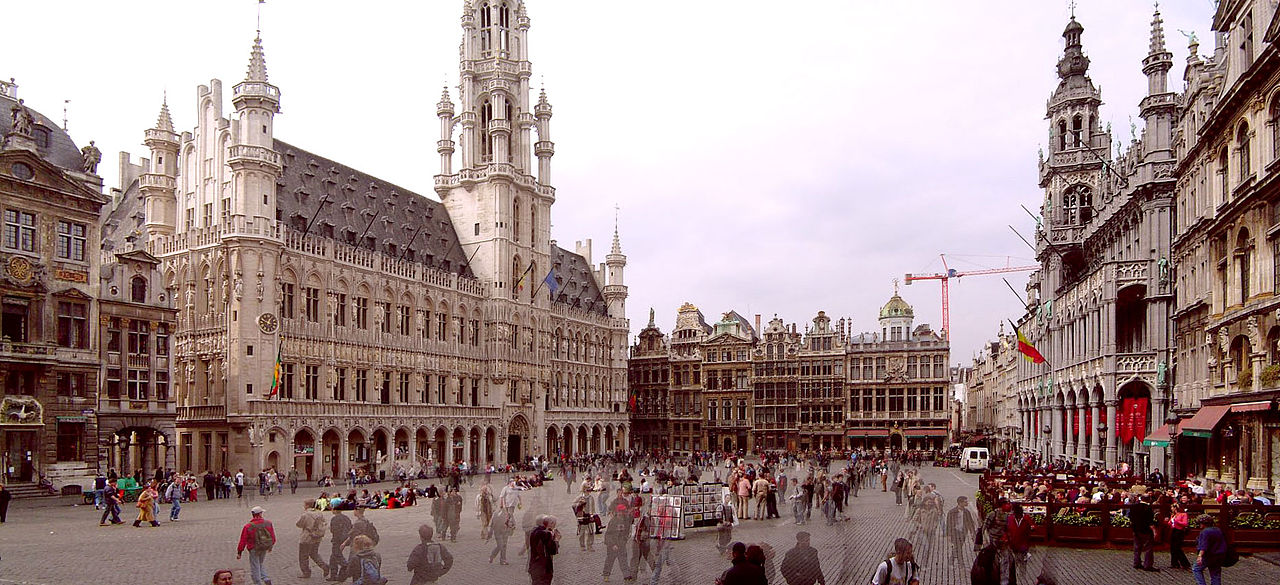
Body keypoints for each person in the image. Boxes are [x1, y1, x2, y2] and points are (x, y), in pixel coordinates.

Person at [237, 506, 276, 585]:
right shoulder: (268, 523)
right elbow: (272, 536)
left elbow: (243, 540)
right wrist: (270, 546)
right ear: (260, 513)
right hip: (264, 546)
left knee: (255, 565)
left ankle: (257, 582)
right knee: (260, 563)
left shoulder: (248, 526)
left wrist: (239, 552)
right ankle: (265, 578)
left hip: (254, 548)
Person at [297, 499, 329, 579]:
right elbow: (324, 523)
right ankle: (324, 566)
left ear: (307, 505)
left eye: (304, 504)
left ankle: (306, 572)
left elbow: (299, 524)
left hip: (307, 538)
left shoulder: (306, 514)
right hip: (317, 537)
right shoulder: (319, 513)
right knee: (314, 553)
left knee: (303, 556)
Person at [1193, 514, 1227, 585]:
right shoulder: (1218, 530)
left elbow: (1203, 545)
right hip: (1219, 555)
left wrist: (1200, 556)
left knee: (1196, 569)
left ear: (1203, 523)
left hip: (1209, 555)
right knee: (1215, 573)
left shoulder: (1205, 532)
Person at [602, 503, 633, 582]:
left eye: (623, 511)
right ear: (617, 512)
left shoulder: (626, 521)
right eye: (620, 511)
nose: (621, 513)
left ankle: (627, 576)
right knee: (610, 560)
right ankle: (606, 574)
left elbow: (626, 533)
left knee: (623, 560)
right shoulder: (613, 521)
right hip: (612, 545)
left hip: (621, 544)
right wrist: (613, 544)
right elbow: (608, 535)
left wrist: (624, 540)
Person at [1129, 491, 1158, 572]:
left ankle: (1136, 563)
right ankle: (1147, 565)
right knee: (1148, 548)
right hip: (1145, 530)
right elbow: (1150, 521)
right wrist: (1155, 531)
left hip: (1136, 529)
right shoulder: (1148, 508)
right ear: (1149, 499)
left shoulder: (1134, 507)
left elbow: (1130, 517)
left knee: (1137, 547)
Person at [528, 515, 560, 585]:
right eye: (554, 524)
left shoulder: (533, 531)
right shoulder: (546, 534)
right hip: (544, 567)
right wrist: (556, 540)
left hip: (534, 565)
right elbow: (553, 550)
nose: (554, 526)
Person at [1005, 503, 1034, 582]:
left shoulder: (1026, 520)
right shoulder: (1010, 519)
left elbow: (1030, 531)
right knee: (1012, 565)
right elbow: (1006, 530)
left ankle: (1022, 580)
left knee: (1022, 565)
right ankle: (1012, 581)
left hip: (1022, 547)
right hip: (1011, 546)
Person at [946, 496, 977, 565]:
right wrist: (948, 534)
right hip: (955, 531)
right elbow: (948, 524)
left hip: (963, 532)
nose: (967, 503)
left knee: (958, 546)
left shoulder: (966, 512)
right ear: (960, 503)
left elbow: (970, 522)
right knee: (958, 546)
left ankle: (951, 560)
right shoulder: (952, 512)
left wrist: (972, 532)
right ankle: (961, 562)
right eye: (965, 502)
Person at [327, 509, 353, 582]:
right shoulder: (346, 517)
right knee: (333, 557)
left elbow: (333, 530)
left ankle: (346, 566)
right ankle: (333, 575)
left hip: (337, 539)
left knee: (337, 555)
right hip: (345, 539)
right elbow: (350, 527)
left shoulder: (335, 519)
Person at [1168, 503, 1191, 570]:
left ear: (1175, 508)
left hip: (1179, 531)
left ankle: (1185, 563)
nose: (1171, 509)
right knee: (1172, 547)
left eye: (1172, 507)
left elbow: (1185, 523)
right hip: (1174, 530)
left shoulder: (1183, 514)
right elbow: (1170, 523)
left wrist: (1177, 521)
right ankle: (1174, 563)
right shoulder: (1173, 515)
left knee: (1177, 547)